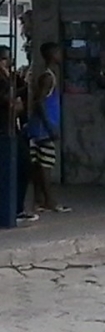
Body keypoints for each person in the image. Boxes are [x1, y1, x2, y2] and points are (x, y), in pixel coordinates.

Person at [28, 42, 71, 213]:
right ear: (52, 55)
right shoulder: (48, 78)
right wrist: (49, 126)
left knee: (39, 164)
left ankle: (39, 200)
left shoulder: (49, 76)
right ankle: (50, 201)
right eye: (58, 52)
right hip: (43, 128)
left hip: (41, 127)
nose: (61, 56)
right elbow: (39, 102)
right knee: (46, 165)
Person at [0, 47, 37, 224]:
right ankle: (12, 209)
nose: (8, 63)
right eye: (5, 59)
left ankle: (17, 207)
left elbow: (20, 102)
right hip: (4, 128)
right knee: (19, 165)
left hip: (13, 127)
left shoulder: (12, 77)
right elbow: (9, 101)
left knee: (23, 167)